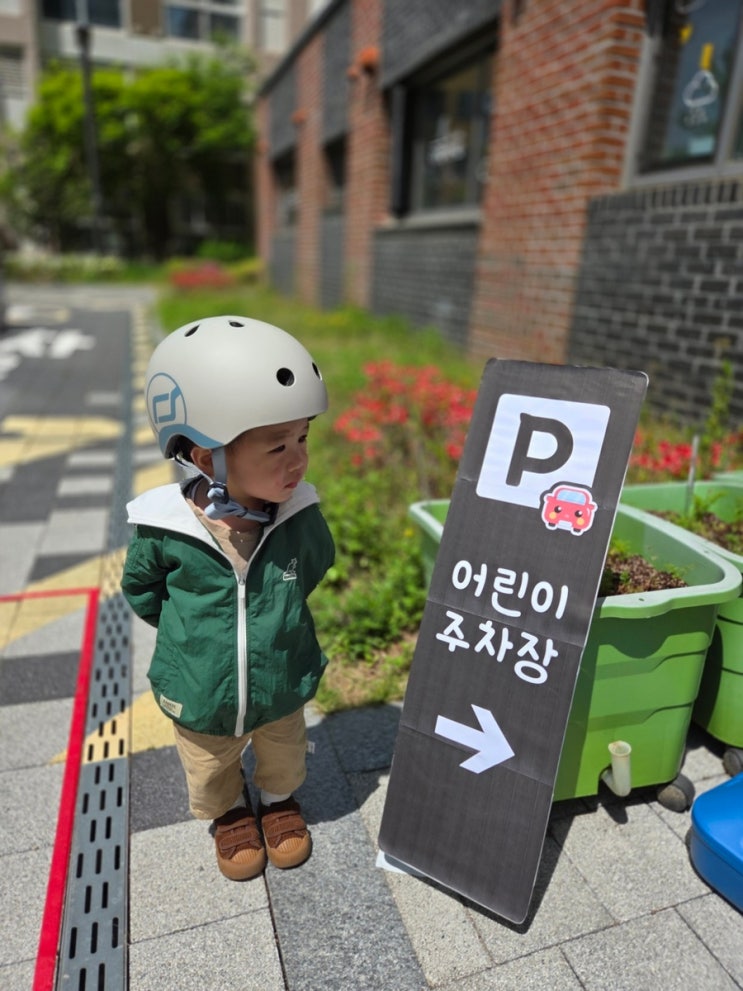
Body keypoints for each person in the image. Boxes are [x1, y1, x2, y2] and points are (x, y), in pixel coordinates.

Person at [121, 315, 335, 880]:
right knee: (208, 762)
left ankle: (279, 800)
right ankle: (231, 812)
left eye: (302, 438)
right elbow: (143, 590)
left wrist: (273, 615)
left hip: (281, 675)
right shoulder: (165, 529)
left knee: (284, 747)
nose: (297, 459)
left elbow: (312, 567)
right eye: (276, 446)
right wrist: (191, 635)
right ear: (205, 457)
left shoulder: (299, 516)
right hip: (200, 687)